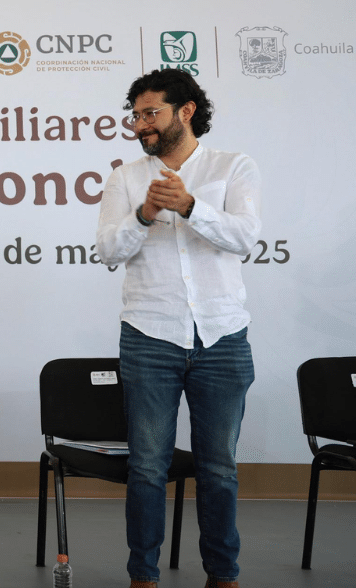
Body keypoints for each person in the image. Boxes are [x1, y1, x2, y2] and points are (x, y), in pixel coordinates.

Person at [96, 68, 261, 588]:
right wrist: (144, 214)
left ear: (186, 111)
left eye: (152, 113)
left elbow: (245, 238)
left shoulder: (233, 166)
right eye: (136, 116)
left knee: (219, 468)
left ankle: (223, 575)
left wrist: (190, 206)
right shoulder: (125, 178)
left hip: (222, 336)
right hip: (150, 335)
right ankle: (142, 576)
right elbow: (107, 251)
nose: (141, 124)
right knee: (147, 467)